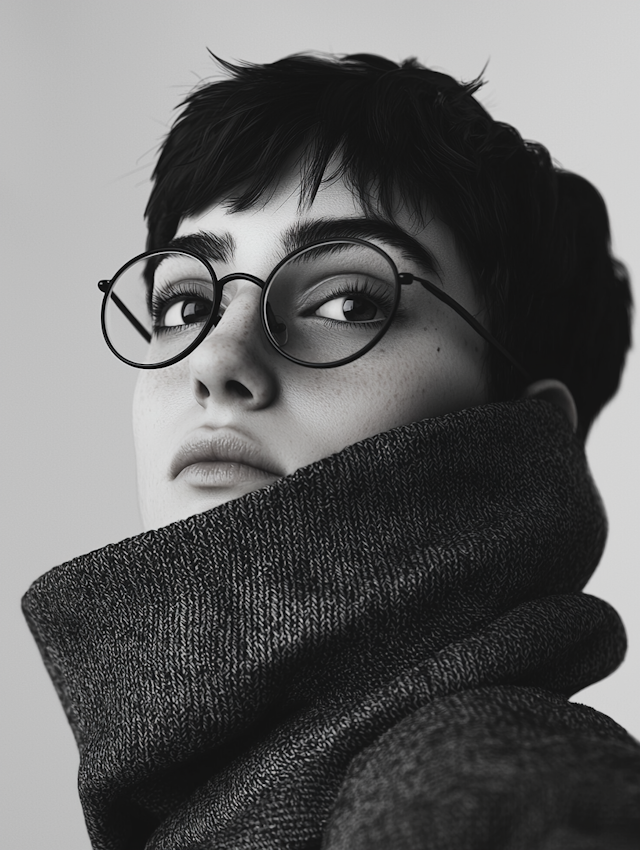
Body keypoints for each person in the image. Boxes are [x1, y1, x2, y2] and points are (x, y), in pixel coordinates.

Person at [22, 53, 640, 849]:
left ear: (525, 436)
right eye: (183, 304)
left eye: (348, 301)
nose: (215, 358)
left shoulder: (483, 787)